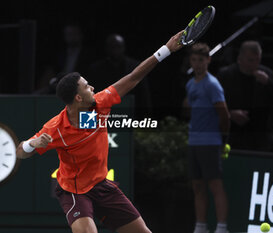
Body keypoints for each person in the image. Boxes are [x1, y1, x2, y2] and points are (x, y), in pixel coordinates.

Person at [16, 30, 183, 233]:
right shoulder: (55, 129)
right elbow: (20, 153)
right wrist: (31, 144)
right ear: (78, 98)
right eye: (87, 87)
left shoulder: (100, 103)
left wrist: (166, 49)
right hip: (74, 192)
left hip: (101, 185)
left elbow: (133, 77)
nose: (93, 87)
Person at [182, 43, 230, 233]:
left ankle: (221, 228)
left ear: (208, 60)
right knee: (197, 186)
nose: (197, 64)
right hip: (194, 141)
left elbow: (225, 116)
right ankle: (201, 226)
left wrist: (223, 139)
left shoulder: (212, 84)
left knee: (215, 185)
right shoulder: (189, 84)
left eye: (201, 60)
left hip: (210, 142)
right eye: (194, 60)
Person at [217, 40, 273, 152]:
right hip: (232, 132)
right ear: (240, 59)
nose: (255, 64)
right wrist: (230, 114)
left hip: (259, 134)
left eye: (258, 60)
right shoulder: (226, 75)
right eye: (251, 60)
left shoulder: (267, 74)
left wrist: (269, 83)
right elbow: (213, 103)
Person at [88, 34, 152, 118]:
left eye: (118, 46)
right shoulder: (96, 70)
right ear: (107, 48)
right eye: (112, 47)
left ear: (123, 47)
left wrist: (146, 119)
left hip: (131, 115)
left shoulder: (135, 67)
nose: (115, 50)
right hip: (104, 116)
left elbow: (143, 96)